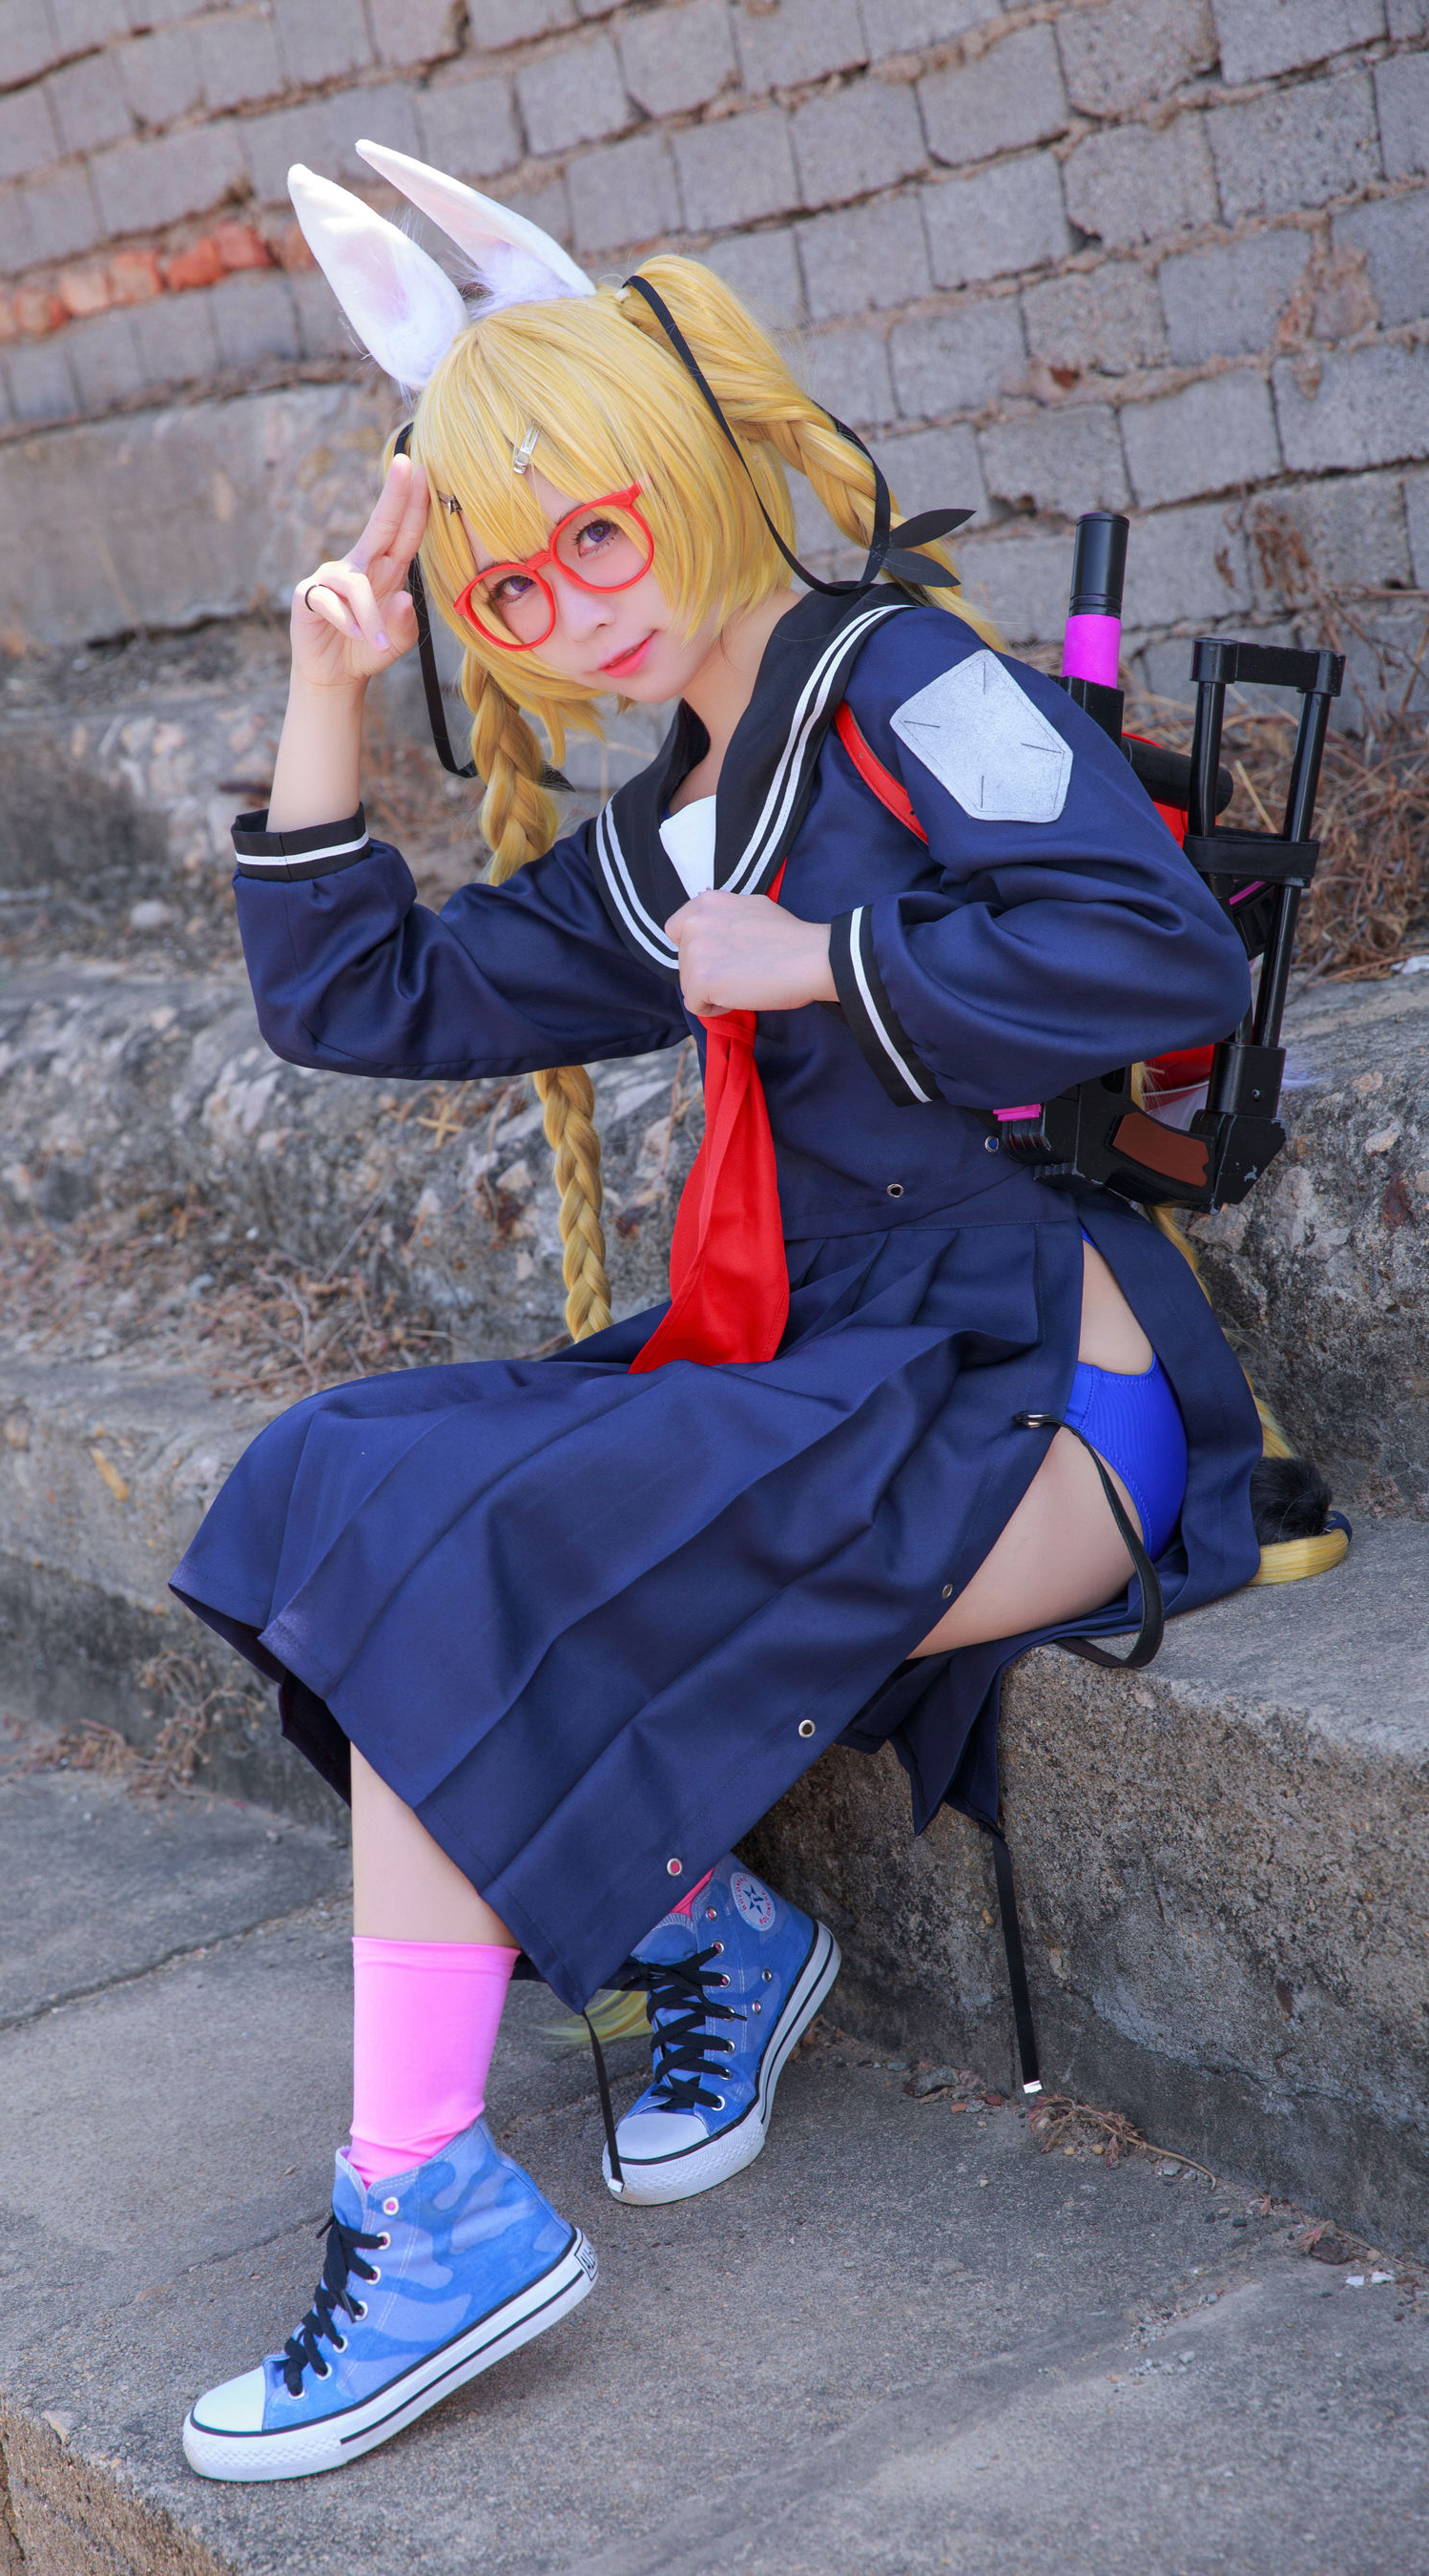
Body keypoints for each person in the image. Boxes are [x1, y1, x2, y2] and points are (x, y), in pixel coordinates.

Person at [169, 144, 1263, 2483]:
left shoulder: (904, 678)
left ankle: (424, 2207)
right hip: (818, 1360)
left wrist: (833, 961)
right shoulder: (679, 813)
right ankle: (699, 1936)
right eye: (508, 582)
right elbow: (369, 998)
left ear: (682, 466)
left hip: (1038, 1387)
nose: (567, 610)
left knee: (473, 1547)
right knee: (335, 1476)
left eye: (594, 537)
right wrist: (328, 683)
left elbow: (1159, 945)